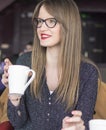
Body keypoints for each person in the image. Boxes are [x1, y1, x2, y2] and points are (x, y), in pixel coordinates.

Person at [1, 0, 99, 130]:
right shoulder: (25, 62)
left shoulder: (88, 73)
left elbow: (84, 124)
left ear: (68, 26)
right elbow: (17, 123)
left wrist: (77, 126)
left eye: (51, 21)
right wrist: (14, 94)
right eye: (40, 21)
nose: (42, 27)